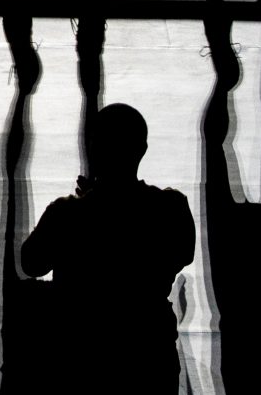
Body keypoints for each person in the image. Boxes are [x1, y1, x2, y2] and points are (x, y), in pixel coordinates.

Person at [22, 103, 195, 393]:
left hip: (83, 362)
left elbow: (31, 263)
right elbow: (182, 254)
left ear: (93, 149)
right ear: (142, 149)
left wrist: (87, 203)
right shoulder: (170, 209)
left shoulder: (66, 215)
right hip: (149, 359)